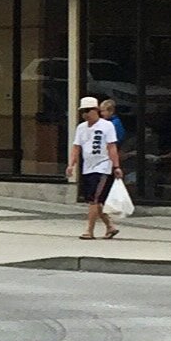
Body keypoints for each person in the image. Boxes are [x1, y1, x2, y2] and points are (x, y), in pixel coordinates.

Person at [68, 96, 122, 239]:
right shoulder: (81, 128)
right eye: (83, 111)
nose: (85, 114)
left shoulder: (107, 126)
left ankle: (89, 231)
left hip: (103, 167)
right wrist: (71, 164)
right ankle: (110, 226)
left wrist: (116, 166)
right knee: (95, 201)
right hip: (88, 167)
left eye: (88, 111)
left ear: (96, 110)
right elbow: (76, 147)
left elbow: (112, 147)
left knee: (94, 199)